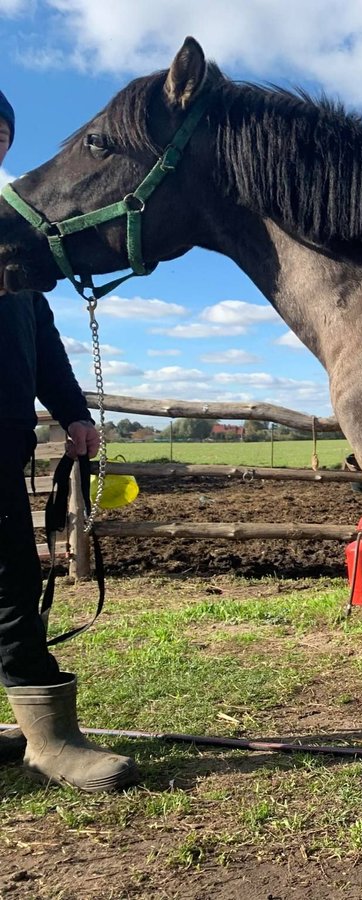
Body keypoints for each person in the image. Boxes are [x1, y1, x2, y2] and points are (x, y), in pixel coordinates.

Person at [0, 88, 138, 791]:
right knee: (8, 584)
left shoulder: (10, 232)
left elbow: (42, 337)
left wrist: (73, 412)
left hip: (5, 441)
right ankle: (49, 743)